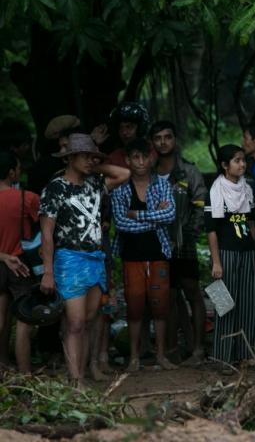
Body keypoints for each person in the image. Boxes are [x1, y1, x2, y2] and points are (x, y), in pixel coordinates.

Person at [39, 133, 130, 386]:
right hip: (69, 258)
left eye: (93, 157)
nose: (91, 161)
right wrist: (48, 271)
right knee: (75, 322)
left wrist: (94, 162)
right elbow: (47, 232)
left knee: (88, 321)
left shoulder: (95, 183)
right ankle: (76, 380)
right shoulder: (55, 188)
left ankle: (77, 376)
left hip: (95, 258)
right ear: (70, 157)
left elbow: (124, 174)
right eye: (85, 156)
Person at [111, 139, 177, 372]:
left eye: (144, 157)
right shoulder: (120, 189)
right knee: (135, 307)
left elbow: (169, 215)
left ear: (151, 158)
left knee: (160, 306)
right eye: (135, 157)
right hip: (131, 255)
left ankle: (160, 355)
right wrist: (153, 217)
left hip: (158, 253)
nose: (140, 162)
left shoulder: (161, 184)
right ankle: (134, 358)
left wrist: (136, 215)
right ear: (127, 161)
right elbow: (121, 223)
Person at [151, 121, 207, 365]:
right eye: (158, 138)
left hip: (184, 242)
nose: (163, 142)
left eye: (168, 137)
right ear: (152, 142)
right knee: (169, 296)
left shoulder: (188, 171)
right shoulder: (148, 172)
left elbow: (200, 204)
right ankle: (173, 349)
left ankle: (198, 349)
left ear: (175, 140)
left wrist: (190, 234)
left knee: (193, 292)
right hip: (157, 242)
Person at [205, 144, 255, 366]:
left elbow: (251, 221)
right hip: (225, 254)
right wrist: (216, 261)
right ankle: (223, 358)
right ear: (224, 165)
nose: (242, 164)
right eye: (237, 160)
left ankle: (250, 355)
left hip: (247, 251)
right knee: (224, 306)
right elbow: (211, 230)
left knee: (251, 304)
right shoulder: (216, 189)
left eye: (243, 160)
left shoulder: (247, 187)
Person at [0, 151, 39, 373]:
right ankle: (26, 374)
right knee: (24, 321)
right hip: (20, 265)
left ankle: (3, 364)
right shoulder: (28, 198)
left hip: (0, 262)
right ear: (11, 172)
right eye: (17, 168)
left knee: (1, 320)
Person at [105, 102, 153, 168]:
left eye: (129, 127)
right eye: (120, 128)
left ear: (140, 128)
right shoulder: (113, 158)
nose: (124, 132)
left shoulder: (153, 151)